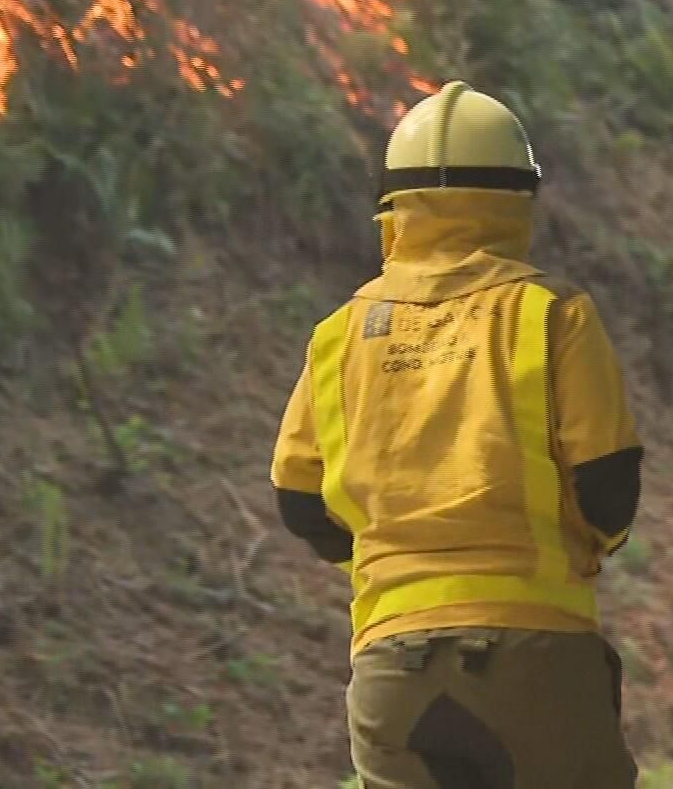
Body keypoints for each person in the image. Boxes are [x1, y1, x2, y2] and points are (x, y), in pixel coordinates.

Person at [271, 81, 643, 789]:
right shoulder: (551, 313)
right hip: (538, 661)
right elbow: (607, 493)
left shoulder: (341, 333)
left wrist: (392, 560)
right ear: (517, 199)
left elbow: (299, 501)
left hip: (392, 672)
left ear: (391, 204)